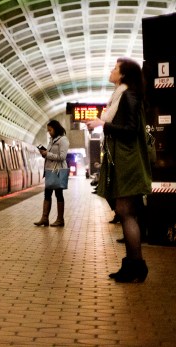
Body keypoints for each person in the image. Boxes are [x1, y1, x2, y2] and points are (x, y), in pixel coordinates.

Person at [86, 57, 152, 283]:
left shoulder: (129, 95)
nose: (111, 71)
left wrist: (103, 125)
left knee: (126, 211)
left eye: (115, 68)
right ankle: (132, 265)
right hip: (123, 160)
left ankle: (136, 266)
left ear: (123, 75)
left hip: (129, 161)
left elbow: (131, 130)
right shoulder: (119, 96)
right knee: (125, 212)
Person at [34, 119, 69, 227]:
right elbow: (50, 154)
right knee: (47, 194)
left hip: (58, 171)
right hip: (50, 171)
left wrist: (48, 154)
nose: (49, 132)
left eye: (50, 130)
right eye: (48, 130)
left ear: (55, 128)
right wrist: (44, 154)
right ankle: (45, 218)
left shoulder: (63, 140)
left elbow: (62, 157)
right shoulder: (51, 140)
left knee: (59, 194)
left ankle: (60, 219)